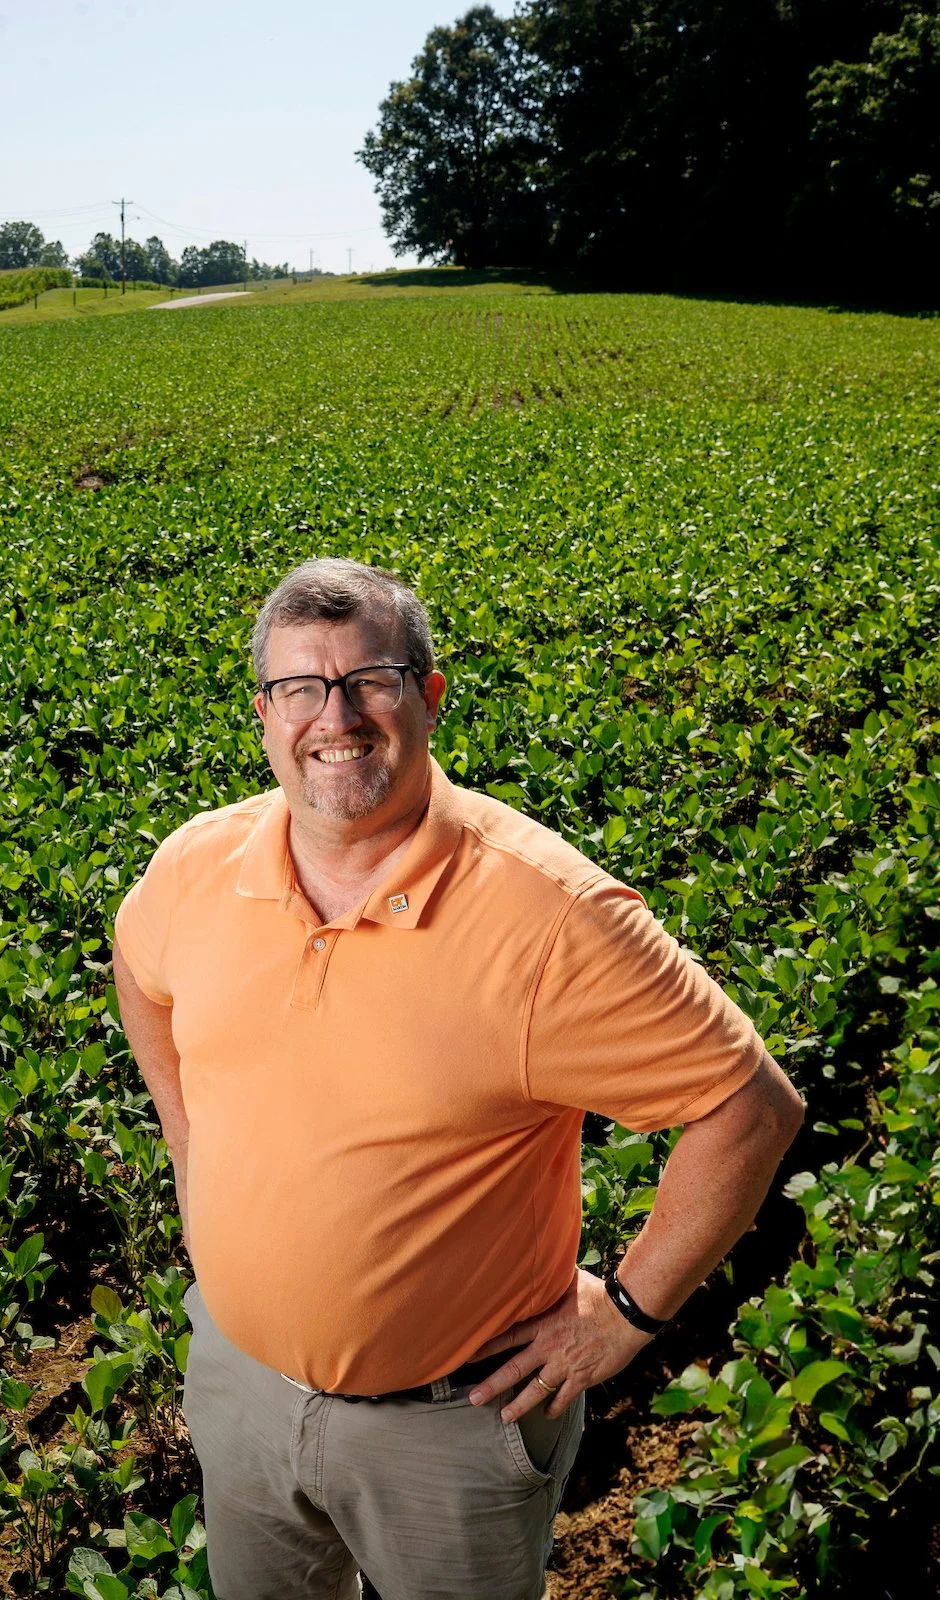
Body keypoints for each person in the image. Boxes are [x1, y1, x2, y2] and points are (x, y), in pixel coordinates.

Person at [112, 558, 805, 1600]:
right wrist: (189, 1150)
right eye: (301, 687)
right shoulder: (196, 866)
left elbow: (749, 1108)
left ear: (429, 696)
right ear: (264, 714)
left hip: (451, 1430)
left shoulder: (552, 919)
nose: (335, 717)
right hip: (240, 1385)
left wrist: (628, 1312)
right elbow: (140, 973)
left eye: (371, 681)